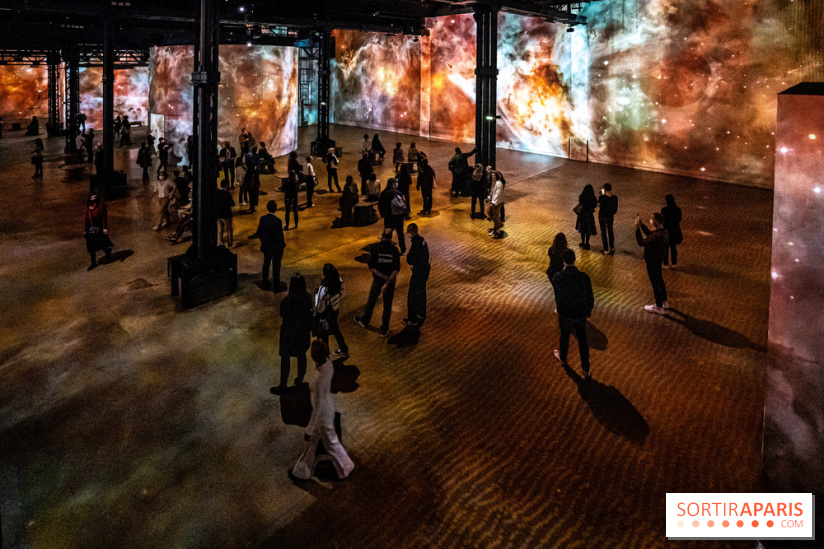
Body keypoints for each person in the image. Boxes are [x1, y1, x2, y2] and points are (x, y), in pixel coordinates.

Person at [291, 339, 355, 481]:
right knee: (317, 444)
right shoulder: (328, 364)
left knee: (329, 444)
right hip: (328, 409)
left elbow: (318, 407)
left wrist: (309, 429)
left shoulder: (319, 377)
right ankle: (302, 470)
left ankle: (346, 467)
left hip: (322, 415)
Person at [552, 249, 595, 378]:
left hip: (565, 312)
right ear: (574, 259)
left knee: (564, 335)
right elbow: (590, 297)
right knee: (582, 340)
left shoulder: (558, 277)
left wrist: (559, 308)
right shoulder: (584, 277)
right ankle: (585, 368)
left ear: (563, 261)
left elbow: (557, 294)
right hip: (580, 312)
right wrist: (588, 311)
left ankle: (563, 357)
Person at [354, 228, 401, 337]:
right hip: (390, 281)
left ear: (382, 235)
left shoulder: (375, 248)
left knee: (371, 301)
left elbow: (371, 267)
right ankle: (384, 329)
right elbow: (396, 269)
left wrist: (383, 277)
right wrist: (388, 281)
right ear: (391, 238)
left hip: (378, 280)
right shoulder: (394, 250)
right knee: (387, 305)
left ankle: (364, 321)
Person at [272, 273, 313, 393]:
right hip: (302, 333)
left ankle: (283, 385)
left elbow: (282, 314)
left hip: (288, 334)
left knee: (285, 358)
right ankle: (299, 381)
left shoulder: (287, 301)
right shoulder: (307, 297)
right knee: (301, 356)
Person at [635, 212, 669, 313]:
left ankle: (658, 306)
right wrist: (642, 225)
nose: (650, 220)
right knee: (660, 280)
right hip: (658, 260)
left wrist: (637, 229)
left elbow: (641, 242)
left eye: (652, 219)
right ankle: (664, 301)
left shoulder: (656, 236)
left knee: (655, 283)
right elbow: (650, 234)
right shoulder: (664, 232)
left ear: (656, 222)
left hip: (652, 261)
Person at [314, 264, 349, 358]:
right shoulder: (339, 281)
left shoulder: (324, 289)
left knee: (323, 335)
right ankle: (344, 349)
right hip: (335, 309)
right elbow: (341, 293)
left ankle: (326, 356)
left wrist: (316, 296)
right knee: (335, 329)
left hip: (325, 313)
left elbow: (319, 306)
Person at [403, 223, 430, 328]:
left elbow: (410, 259)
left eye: (409, 232)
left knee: (412, 295)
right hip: (425, 270)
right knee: (422, 292)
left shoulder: (416, 243)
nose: (408, 234)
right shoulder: (422, 240)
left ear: (413, 231)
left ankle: (412, 319)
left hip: (418, 272)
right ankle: (422, 313)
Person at [257, 200, 286, 291]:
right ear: (275, 208)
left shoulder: (263, 219)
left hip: (266, 246)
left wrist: (263, 241)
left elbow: (259, 232)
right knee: (276, 266)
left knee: (266, 263)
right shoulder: (278, 221)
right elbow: (279, 235)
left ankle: (265, 283)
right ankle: (276, 285)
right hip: (276, 247)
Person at [83, 194, 114, 270]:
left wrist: (104, 228)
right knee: (91, 246)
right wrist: (85, 230)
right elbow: (86, 219)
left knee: (101, 243)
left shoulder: (101, 207)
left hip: (99, 227)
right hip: (91, 228)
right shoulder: (89, 208)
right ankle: (93, 263)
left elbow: (104, 217)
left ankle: (107, 251)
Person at [378, 178, 407, 254]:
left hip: (389, 217)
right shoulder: (399, 193)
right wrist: (403, 214)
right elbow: (403, 204)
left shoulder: (384, 193)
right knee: (400, 234)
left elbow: (380, 205)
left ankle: (387, 249)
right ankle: (403, 250)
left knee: (387, 234)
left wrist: (383, 214)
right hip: (398, 217)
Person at [661, 194, 683, 269]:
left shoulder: (664, 210)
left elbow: (662, 221)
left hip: (667, 230)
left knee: (665, 248)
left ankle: (665, 264)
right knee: (673, 248)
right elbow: (679, 220)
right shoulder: (677, 209)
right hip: (675, 231)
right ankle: (674, 263)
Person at [597, 183, 618, 254]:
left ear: (604, 189)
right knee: (610, 231)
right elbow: (615, 209)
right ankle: (612, 247)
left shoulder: (602, 197)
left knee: (603, 232)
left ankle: (606, 249)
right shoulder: (615, 198)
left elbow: (598, 205)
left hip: (602, 216)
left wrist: (600, 196)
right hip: (610, 217)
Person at [575, 184, 598, 250]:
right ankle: (587, 243)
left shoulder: (582, 196)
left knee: (582, 230)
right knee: (588, 229)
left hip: (582, 215)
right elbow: (595, 206)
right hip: (589, 215)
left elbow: (580, 203)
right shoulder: (593, 198)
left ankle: (583, 242)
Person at [215, 179, 235, 247]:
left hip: (218, 214)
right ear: (227, 186)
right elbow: (233, 204)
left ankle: (220, 243)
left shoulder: (216, 193)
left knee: (219, 230)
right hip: (226, 215)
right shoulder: (227, 194)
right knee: (229, 229)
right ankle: (230, 243)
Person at [487, 170, 505, 238]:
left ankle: (496, 229)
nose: (493, 177)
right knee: (489, 212)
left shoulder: (499, 184)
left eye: (494, 176)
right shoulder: (494, 183)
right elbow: (492, 191)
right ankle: (498, 224)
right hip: (493, 201)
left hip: (496, 203)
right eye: (492, 176)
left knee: (496, 215)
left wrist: (493, 202)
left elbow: (498, 194)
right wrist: (490, 196)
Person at [246, 145, 260, 212]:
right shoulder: (256, 156)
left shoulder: (248, 154)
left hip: (249, 179)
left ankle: (251, 206)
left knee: (250, 194)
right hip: (253, 180)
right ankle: (252, 206)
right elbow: (257, 165)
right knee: (253, 194)